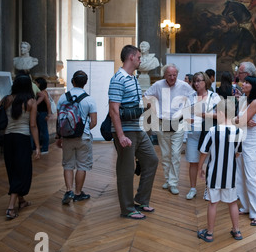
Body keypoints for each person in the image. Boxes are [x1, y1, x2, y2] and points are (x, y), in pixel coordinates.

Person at [108, 45, 158, 219]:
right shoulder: (118, 79)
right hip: (125, 131)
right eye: (138, 57)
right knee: (126, 169)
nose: (140, 59)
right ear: (130, 57)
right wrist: (120, 135)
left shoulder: (133, 78)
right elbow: (113, 109)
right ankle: (127, 209)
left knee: (151, 160)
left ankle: (141, 199)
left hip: (137, 128)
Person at [197, 99, 244, 242]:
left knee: (213, 203)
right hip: (230, 175)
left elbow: (204, 152)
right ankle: (236, 231)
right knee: (232, 202)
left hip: (214, 174)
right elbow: (237, 153)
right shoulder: (238, 132)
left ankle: (210, 233)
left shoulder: (212, 131)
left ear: (222, 113)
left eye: (216, 111)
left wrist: (200, 168)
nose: (214, 114)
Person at [144, 64, 193, 195]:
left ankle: (173, 182)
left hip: (178, 123)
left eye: (174, 75)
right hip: (162, 123)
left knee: (176, 154)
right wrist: (153, 109)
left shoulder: (183, 85)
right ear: (164, 75)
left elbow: (192, 99)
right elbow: (146, 96)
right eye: (170, 75)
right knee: (166, 154)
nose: (172, 77)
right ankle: (168, 179)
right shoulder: (158, 85)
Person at [0, 75, 41, 219]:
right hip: (22, 139)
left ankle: (21, 201)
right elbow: (33, 125)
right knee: (22, 171)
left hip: (8, 138)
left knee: (12, 169)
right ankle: (10, 207)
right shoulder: (31, 102)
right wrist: (37, 147)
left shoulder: (6, 99)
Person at [56, 71, 97, 205]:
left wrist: (59, 136)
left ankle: (69, 190)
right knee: (82, 165)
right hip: (83, 137)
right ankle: (78, 193)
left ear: (73, 81)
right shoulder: (89, 99)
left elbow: (59, 119)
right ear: (85, 83)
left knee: (68, 164)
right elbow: (94, 122)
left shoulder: (63, 97)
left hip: (67, 136)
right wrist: (82, 130)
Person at [233, 76, 256, 227]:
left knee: (251, 177)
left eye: (246, 83)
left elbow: (238, 121)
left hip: (251, 143)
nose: (243, 84)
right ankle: (246, 206)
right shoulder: (244, 100)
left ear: (254, 86)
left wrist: (240, 120)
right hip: (241, 141)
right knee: (240, 176)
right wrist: (241, 120)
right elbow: (237, 121)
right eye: (243, 82)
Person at [185, 72, 221, 200]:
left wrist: (206, 115)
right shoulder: (191, 97)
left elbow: (222, 115)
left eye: (199, 80)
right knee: (193, 162)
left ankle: (208, 189)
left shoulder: (214, 96)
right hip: (194, 133)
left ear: (205, 82)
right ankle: (193, 188)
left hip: (209, 133)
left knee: (210, 162)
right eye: (194, 81)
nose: (196, 83)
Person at [34, 77, 52, 154]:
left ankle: (45, 148)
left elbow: (48, 104)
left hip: (42, 113)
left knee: (44, 130)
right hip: (39, 113)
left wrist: (48, 114)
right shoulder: (40, 92)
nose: (35, 84)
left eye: (36, 83)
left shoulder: (43, 93)